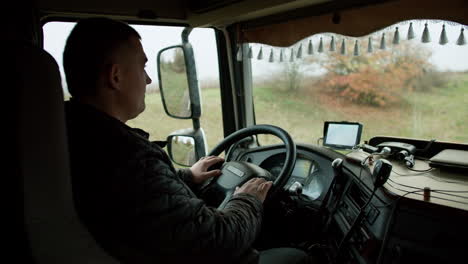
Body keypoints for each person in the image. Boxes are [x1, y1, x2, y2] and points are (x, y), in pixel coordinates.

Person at [63, 17, 310, 264]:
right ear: (115, 76)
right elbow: (218, 240)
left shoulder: (72, 135)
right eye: (143, 67)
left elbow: (141, 202)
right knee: (298, 257)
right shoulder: (124, 157)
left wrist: (186, 177)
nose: (148, 80)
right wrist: (248, 199)